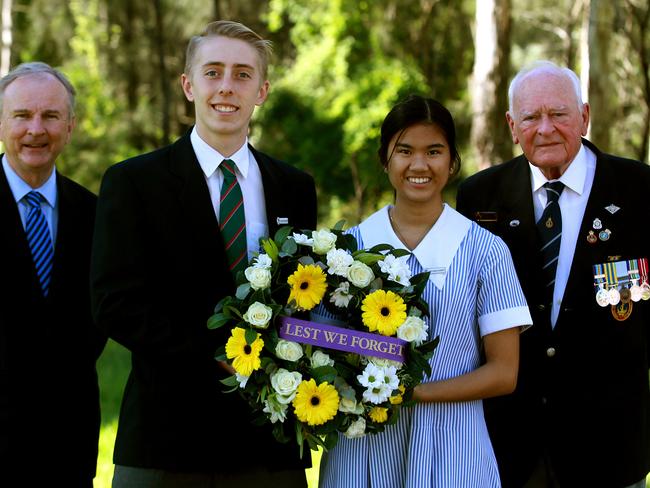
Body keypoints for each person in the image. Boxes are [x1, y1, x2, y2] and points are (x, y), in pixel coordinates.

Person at [90, 20, 317, 487]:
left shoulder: (293, 186)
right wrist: (215, 351)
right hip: (166, 439)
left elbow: (304, 298)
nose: (226, 88)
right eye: (212, 72)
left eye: (242, 74)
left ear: (262, 90)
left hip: (266, 444)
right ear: (188, 85)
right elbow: (115, 304)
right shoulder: (134, 182)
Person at [318, 95, 532, 487]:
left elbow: (504, 373)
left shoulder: (486, 251)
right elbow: (323, 351)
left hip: (456, 452)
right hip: (360, 454)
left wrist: (410, 393)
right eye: (404, 151)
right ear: (385, 160)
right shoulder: (345, 251)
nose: (419, 165)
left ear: (452, 162)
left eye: (434, 151)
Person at [456, 60, 650, 488]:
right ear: (511, 124)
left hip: (609, 446)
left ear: (584, 116)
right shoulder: (479, 195)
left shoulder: (640, 189)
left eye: (559, 114)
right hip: (509, 446)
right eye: (530, 117)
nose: (545, 129)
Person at [0, 62, 105, 486]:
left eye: (50, 116)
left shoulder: (96, 214)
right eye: (22, 116)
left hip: (69, 436)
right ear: (2, 122)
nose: (35, 130)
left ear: (71, 126)